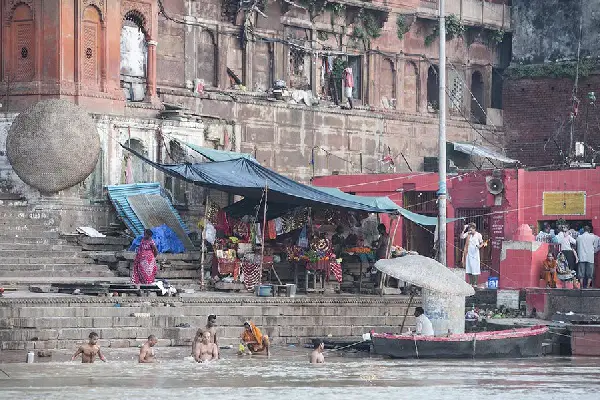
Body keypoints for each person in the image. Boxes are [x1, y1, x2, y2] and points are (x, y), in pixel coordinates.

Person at [461, 223, 487, 287]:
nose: (470, 231)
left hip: (475, 254)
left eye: (471, 230)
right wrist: (464, 229)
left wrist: (479, 246)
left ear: (474, 229)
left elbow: (482, 243)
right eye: (469, 230)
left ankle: (475, 283)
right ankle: (470, 282)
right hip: (469, 253)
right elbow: (461, 237)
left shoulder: (478, 235)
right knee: (469, 267)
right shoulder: (468, 234)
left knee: (475, 268)